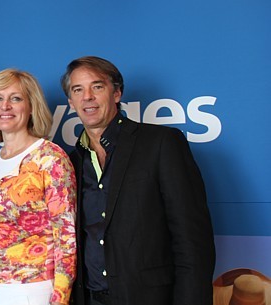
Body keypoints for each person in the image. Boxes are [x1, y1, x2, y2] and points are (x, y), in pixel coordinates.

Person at [60, 56, 215, 305]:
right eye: (78, 90)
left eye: (97, 86)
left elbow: (192, 240)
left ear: (117, 93)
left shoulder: (161, 143)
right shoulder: (69, 162)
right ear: (71, 102)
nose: (87, 96)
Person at [0, 69, 77, 305]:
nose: (5, 106)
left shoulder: (50, 158)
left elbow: (66, 241)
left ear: (32, 107)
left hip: (30, 291)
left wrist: (60, 300)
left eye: (15, 98)